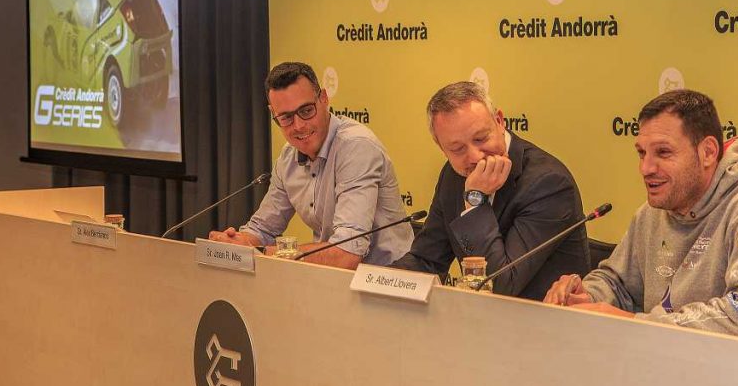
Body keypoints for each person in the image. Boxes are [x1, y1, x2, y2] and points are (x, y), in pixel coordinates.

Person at [544, 89, 738, 344]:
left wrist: (635, 323)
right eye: (641, 153)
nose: (645, 168)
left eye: (663, 152)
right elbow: (618, 283)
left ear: (708, 152)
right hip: (666, 365)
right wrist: (587, 296)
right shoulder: (650, 214)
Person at [391, 81, 589, 300]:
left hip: (539, 317)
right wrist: (374, 280)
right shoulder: (453, 174)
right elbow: (427, 260)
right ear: (442, 148)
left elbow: (499, 285)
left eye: (480, 139)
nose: (475, 157)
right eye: (457, 149)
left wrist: (475, 200)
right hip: (479, 315)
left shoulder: (548, 183)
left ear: (499, 121)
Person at [210, 62, 412, 269]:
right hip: (331, 277)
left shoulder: (356, 147)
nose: (299, 126)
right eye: (286, 118)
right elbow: (262, 229)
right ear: (273, 114)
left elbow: (348, 254)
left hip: (390, 277)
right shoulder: (288, 157)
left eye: (306, 111)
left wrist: (261, 252)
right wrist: (236, 243)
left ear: (324, 99)